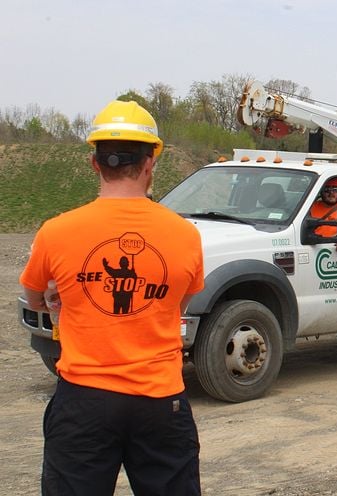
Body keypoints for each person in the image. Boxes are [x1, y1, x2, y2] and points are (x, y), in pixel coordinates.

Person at [19, 100, 205, 495]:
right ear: (151, 162)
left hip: (84, 400)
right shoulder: (185, 235)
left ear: (94, 163)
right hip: (160, 401)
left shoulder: (57, 231)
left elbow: (34, 298)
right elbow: (177, 307)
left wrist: (59, 298)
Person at [309, 177, 337, 253]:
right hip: (312, 249)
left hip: (335, 252)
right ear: (321, 191)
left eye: (335, 190)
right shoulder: (310, 207)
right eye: (327, 190)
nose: (331, 193)